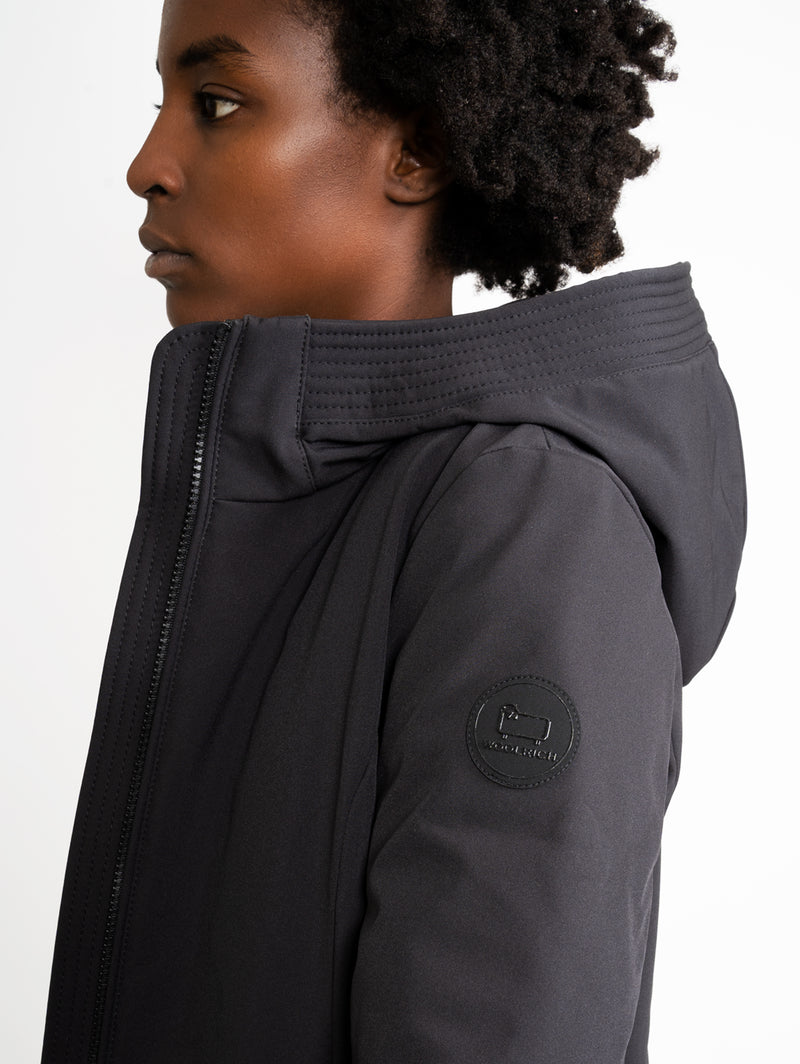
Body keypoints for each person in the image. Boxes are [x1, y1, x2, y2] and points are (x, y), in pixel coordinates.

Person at [40, 0, 746, 1061]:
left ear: (417, 150)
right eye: (162, 105)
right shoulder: (288, 506)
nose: (147, 166)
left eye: (217, 103)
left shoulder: (526, 521)